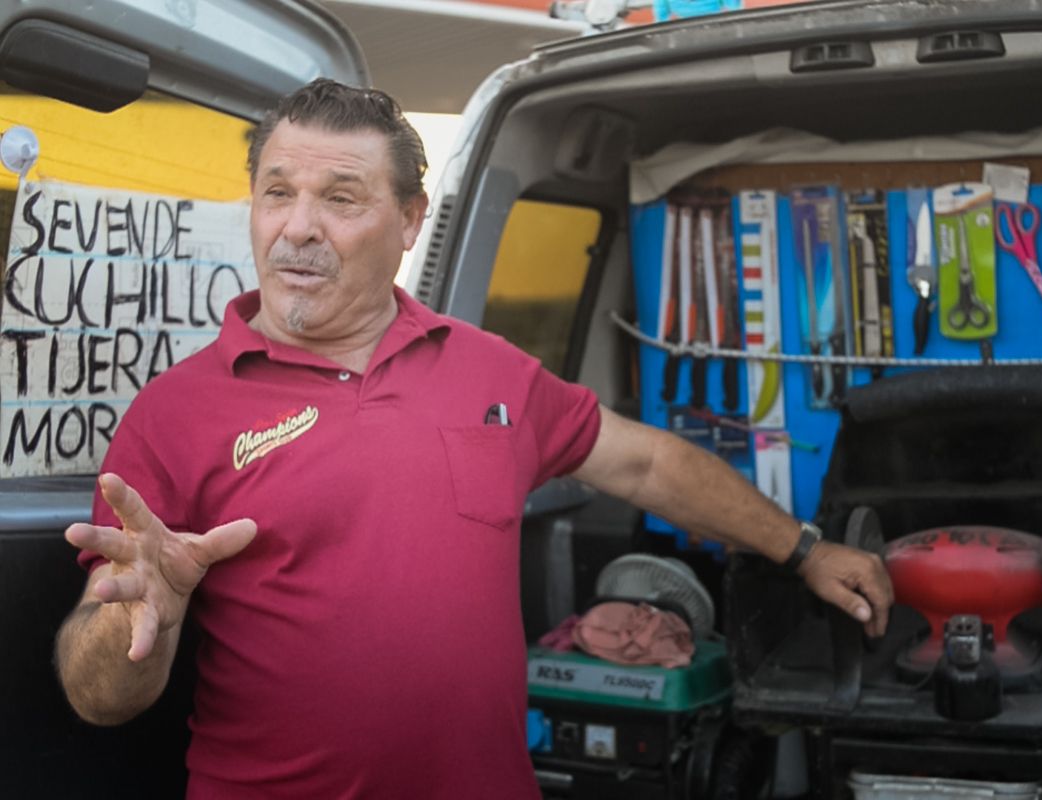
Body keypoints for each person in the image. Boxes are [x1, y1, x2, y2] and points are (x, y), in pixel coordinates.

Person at [54, 78, 891, 799]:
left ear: (411, 219)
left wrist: (804, 550)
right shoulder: (174, 413)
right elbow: (98, 699)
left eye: (340, 198)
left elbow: (643, 461)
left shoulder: (490, 372)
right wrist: (144, 624)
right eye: (277, 192)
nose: (297, 228)